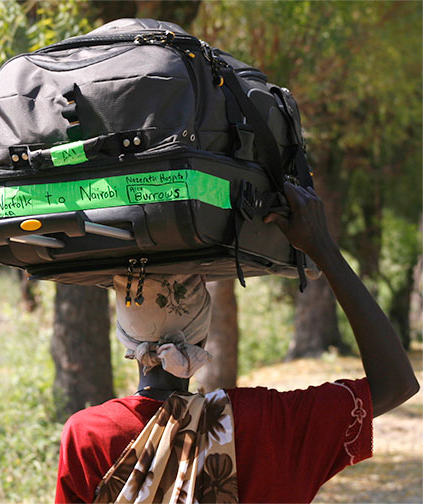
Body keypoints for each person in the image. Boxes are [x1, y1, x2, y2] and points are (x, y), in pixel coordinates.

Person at [55, 182, 419, 503]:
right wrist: (322, 247)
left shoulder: (88, 434)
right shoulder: (267, 421)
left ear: (126, 339)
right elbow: (397, 385)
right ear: (202, 333)